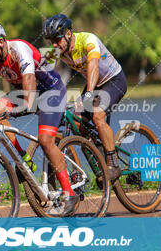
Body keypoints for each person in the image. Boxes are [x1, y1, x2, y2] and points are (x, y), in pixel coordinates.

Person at [0, 21, 78, 215]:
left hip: (49, 91)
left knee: (46, 141)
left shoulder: (18, 48)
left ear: (2, 42)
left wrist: (27, 106)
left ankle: (69, 192)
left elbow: (29, 78)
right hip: (24, 92)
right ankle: (24, 160)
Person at [42, 14, 127, 182]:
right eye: (50, 40)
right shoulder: (59, 52)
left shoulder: (88, 40)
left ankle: (113, 164)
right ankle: (99, 151)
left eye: (56, 39)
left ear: (68, 34)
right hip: (94, 85)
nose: (53, 44)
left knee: (97, 114)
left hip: (114, 80)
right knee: (77, 122)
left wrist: (88, 94)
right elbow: (48, 75)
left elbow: (93, 66)